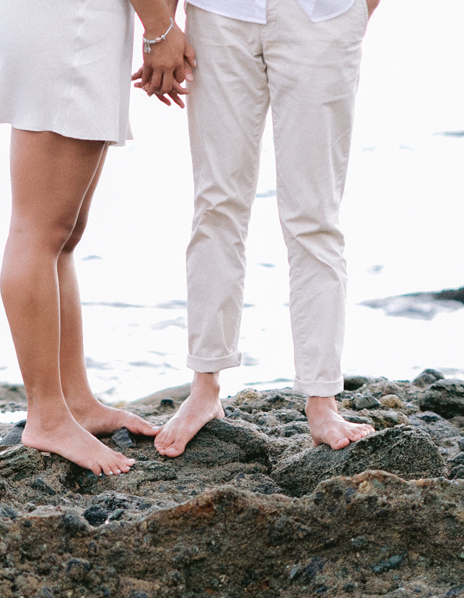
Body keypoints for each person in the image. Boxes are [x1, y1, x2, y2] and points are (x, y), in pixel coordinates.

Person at [138, 0, 382, 458]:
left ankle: (322, 398)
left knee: (315, 216)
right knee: (216, 205)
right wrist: (160, 27)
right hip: (220, 15)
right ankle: (204, 388)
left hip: (324, 16)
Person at [0, 0, 197, 475]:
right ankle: (46, 415)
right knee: (39, 230)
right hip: (70, 24)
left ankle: (75, 402)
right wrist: (160, 27)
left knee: (63, 232)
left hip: (81, 24)